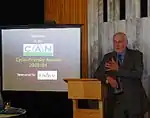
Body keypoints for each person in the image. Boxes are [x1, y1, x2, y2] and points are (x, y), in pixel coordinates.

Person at [94, 32, 149, 118]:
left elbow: (138, 74)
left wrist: (118, 69)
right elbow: (97, 74)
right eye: (115, 42)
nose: (117, 45)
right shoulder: (108, 57)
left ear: (126, 42)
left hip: (133, 101)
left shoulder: (136, 55)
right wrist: (107, 79)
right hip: (116, 102)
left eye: (119, 42)